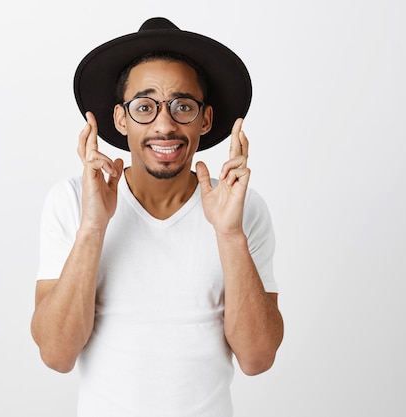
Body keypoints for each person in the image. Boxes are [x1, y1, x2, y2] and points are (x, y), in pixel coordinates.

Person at [31, 17, 284, 417]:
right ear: (120, 119)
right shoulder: (72, 200)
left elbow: (257, 359)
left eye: (183, 106)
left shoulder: (242, 208)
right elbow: (56, 354)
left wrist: (230, 234)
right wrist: (93, 227)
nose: (165, 126)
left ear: (205, 119)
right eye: (144, 107)